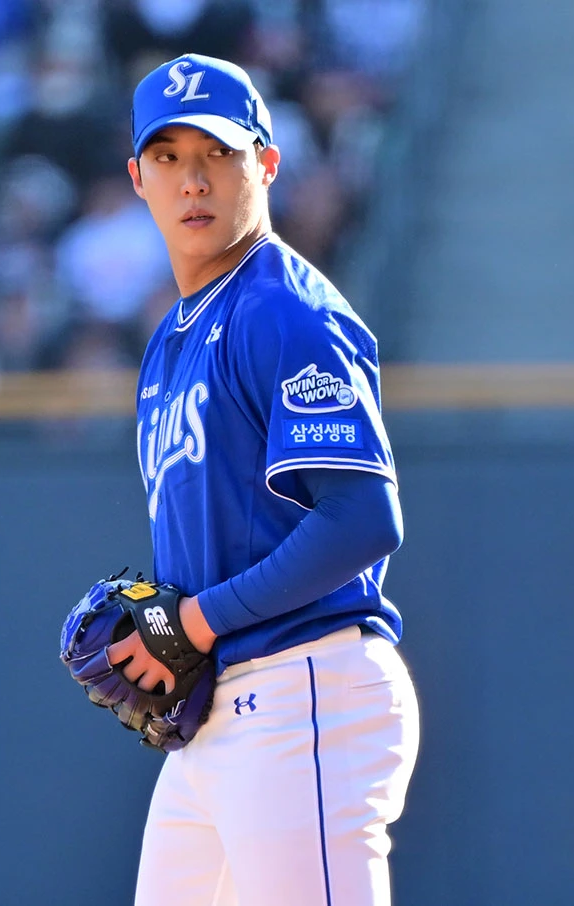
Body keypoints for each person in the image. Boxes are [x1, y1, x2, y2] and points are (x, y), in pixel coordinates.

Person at [104, 53, 420, 905]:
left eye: (218, 153)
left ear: (268, 164)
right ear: (138, 179)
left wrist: (196, 620)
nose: (193, 180)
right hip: (217, 719)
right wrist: (162, 630)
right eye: (168, 156)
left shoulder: (283, 309)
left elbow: (363, 519)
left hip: (303, 690)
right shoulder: (172, 337)